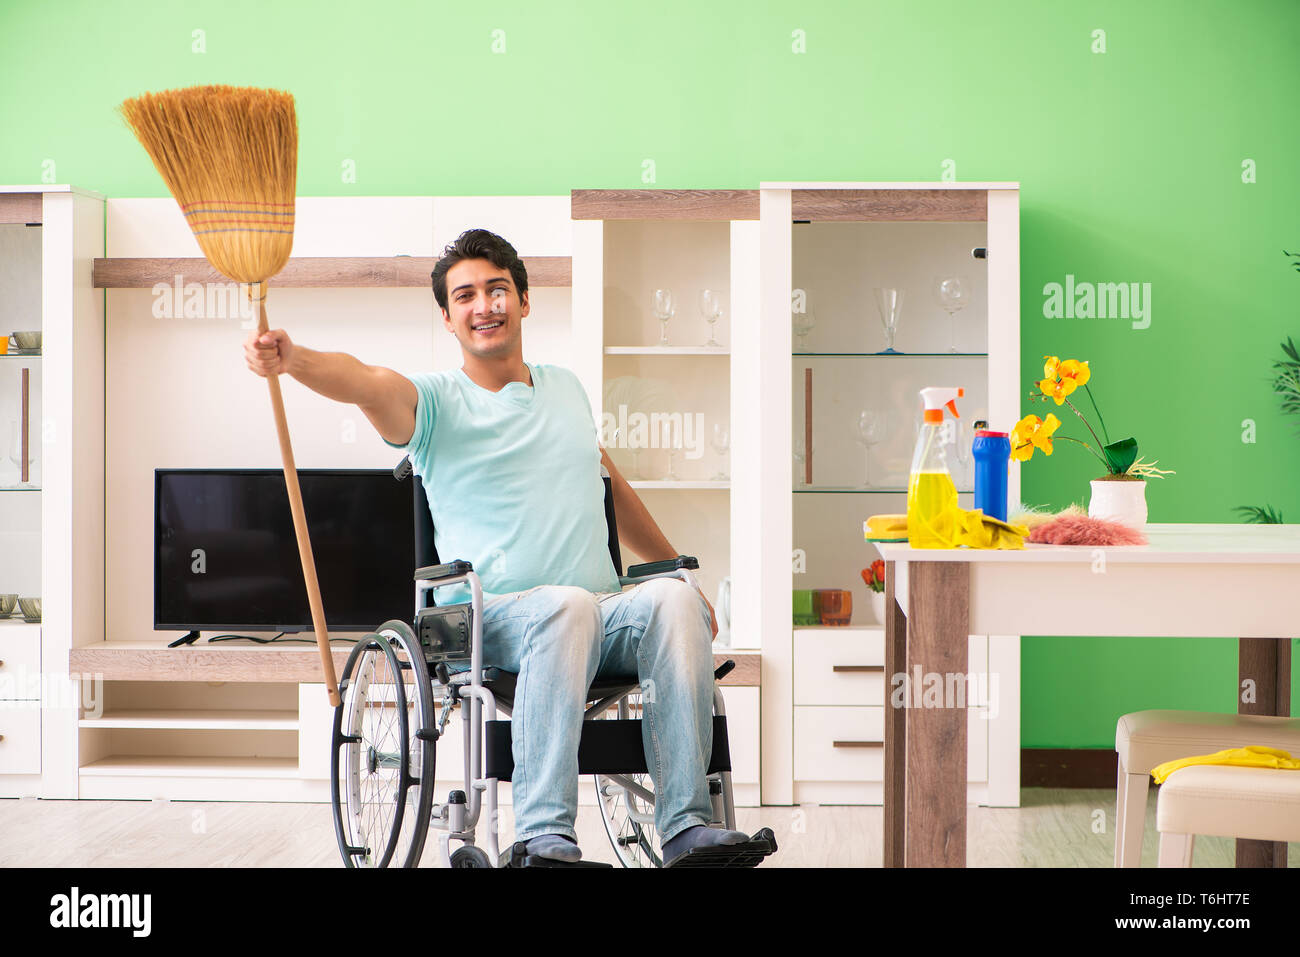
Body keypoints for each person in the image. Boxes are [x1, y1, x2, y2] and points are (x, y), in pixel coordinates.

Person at [244, 228, 753, 866]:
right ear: (448, 318)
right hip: (490, 620)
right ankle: (543, 835)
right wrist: (294, 359)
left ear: (523, 301)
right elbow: (366, 382)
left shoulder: (566, 387)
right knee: (566, 606)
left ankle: (683, 827)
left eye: (497, 289)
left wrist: (675, 571)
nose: (484, 304)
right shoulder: (432, 403)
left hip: (600, 610)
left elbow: (610, 486)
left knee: (673, 604)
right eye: (466, 296)